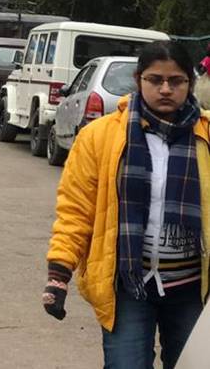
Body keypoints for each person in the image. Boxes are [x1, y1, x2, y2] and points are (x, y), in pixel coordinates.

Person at [44, 41, 210, 368]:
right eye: (154, 79)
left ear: (189, 83)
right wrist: (59, 272)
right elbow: (76, 210)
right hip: (129, 284)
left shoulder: (205, 134)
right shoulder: (100, 137)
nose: (165, 89)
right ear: (138, 80)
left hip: (193, 288)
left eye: (175, 81)